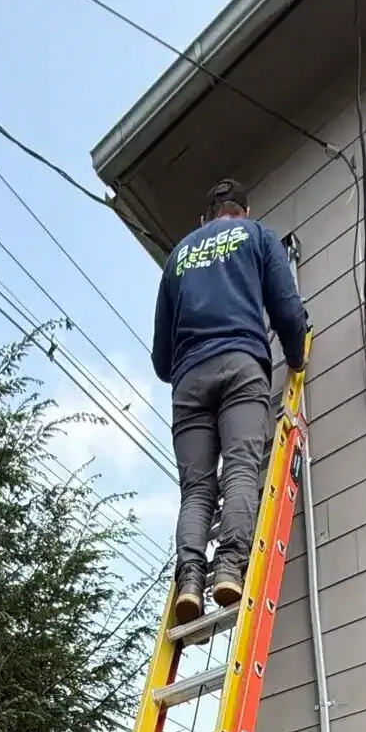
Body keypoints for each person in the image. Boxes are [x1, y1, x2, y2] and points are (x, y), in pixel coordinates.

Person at [151, 178, 308, 626]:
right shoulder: (258, 236)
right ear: (245, 208)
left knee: (197, 489)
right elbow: (286, 310)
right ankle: (229, 568)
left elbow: (162, 359)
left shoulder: (178, 257)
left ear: (206, 217)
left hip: (188, 382)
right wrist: (295, 357)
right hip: (240, 365)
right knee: (241, 465)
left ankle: (189, 581)